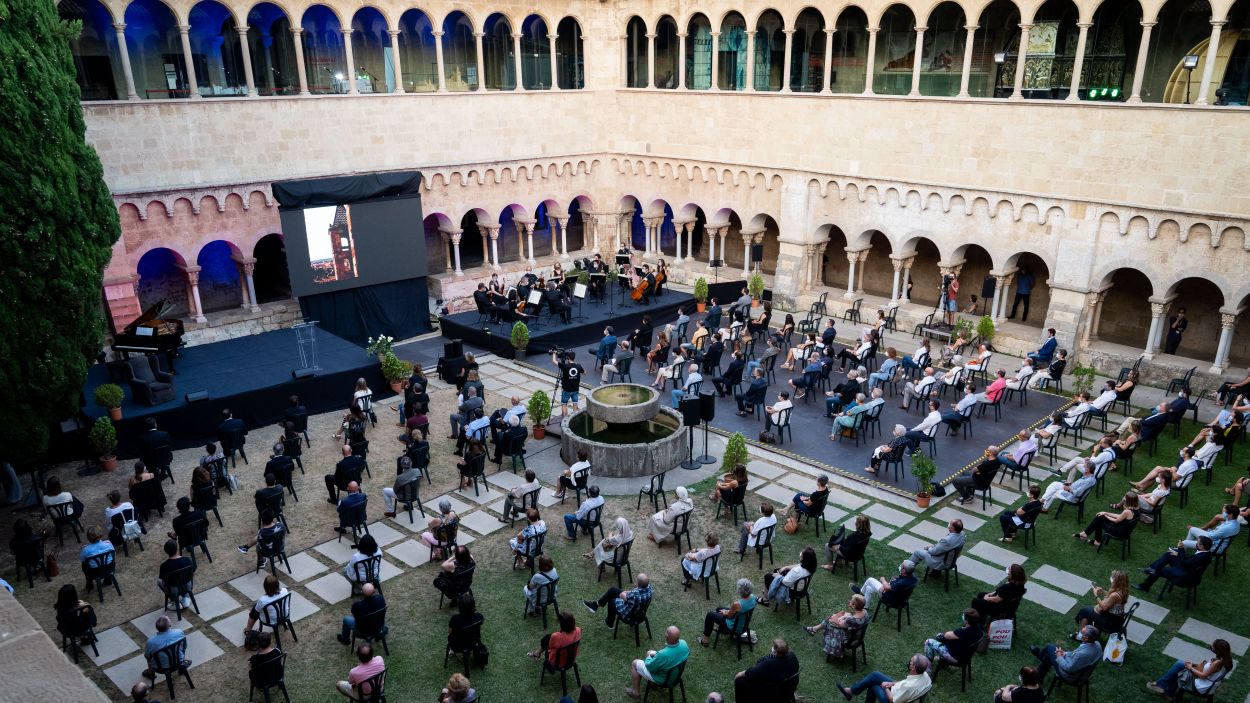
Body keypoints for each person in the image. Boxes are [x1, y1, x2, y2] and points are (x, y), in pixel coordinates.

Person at [1148, 638, 1233, 699]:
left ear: (1218, 650)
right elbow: (1211, 671)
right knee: (1181, 664)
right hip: (1206, 680)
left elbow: (1203, 676)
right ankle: (1165, 690)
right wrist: (1194, 665)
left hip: (1201, 685)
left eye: (1213, 647)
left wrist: (1191, 668)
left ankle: (1164, 688)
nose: (1211, 647)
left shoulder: (1217, 663)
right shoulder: (1227, 660)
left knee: (1180, 668)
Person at [836, 653, 932, 702]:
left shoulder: (908, 686)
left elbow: (892, 701)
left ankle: (850, 692)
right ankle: (851, 691)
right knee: (875, 675)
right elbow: (906, 682)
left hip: (893, 698)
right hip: (900, 691)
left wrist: (886, 687)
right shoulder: (925, 676)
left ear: (913, 667)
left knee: (873, 686)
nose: (909, 661)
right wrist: (892, 683)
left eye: (911, 661)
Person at [625, 625, 689, 699]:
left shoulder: (663, 655)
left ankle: (635, 692)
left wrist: (649, 658)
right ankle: (652, 684)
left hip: (663, 679)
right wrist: (654, 655)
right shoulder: (684, 644)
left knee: (635, 663)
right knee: (649, 652)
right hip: (676, 674)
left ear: (667, 636)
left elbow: (650, 667)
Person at [735, 638, 800, 700]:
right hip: (788, 689)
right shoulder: (793, 656)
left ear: (775, 652)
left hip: (773, 693)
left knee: (739, 681)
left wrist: (741, 673)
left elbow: (752, 673)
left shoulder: (770, 663)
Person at [806, 593, 868, 659]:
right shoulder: (865, 612)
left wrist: (843, 616)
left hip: (849, 639)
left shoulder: (852, 619)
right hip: (858, 636)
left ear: (854, 605)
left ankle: (814, 630)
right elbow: (851, 620)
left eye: (851, 601)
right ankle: (814, 629)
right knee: (831, 618)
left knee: (830, 621)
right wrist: (847, 616)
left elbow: (840, 624)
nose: (849, 601)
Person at [696, 577, 754, 646]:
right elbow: (736, 611)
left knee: (710, 615)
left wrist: (725, 612)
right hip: (744, 623)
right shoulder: (753, 597)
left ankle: (705, 639)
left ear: (740, 591)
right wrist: (727, 611)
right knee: (719, 608)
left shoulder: (737, 604)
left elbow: (728, 616)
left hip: (733, 626)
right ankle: (724, 630)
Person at [1029, 625, 1102, 678]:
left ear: (1086, 638)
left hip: (1069, 674)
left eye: (1081, 633)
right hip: (1078, 667)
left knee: (1049, 647)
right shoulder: (1097, 644)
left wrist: (1059, 656)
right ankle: (1038, 677)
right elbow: (1075, 653)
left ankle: (1039, 655)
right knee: (1048, 656)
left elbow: (1069, 669)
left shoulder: (1082, 654)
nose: (1078, 633)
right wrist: (1065, 653)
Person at [1075, 570, 1128, 637]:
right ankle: (1087, 634)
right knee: (1088, 611)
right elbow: (1112, 599)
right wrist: (1103, 591)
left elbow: (1104, 607)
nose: (1111, 579)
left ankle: (1082, 636)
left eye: (1113, 578)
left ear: (1117, 581)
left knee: (1084, 611)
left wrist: (1096, 595)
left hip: (1109, 622)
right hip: (1117, 619)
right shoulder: (1123, 590)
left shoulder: (1115, 595)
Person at [1131, 446, 1200, 492]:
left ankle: (1141, 488)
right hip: (1181, 479)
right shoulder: (1193, 461)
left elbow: (1174, 478)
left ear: (1187, 454)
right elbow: (1181, 472)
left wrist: (1173, 470)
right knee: (1159, 468)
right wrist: (1172, 469)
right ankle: (1140, 485)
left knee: (1158, 474)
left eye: (1183, 451)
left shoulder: (1185, 465)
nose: (1181, 451)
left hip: (1177, 484)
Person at [142, 615, 187, 680]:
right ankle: (181, 668)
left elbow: (147, 656)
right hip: (179, 661)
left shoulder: (151, 642)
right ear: (169, 625)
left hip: (161, 667)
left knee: (148, 657)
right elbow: (184, 647)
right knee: (181, 649)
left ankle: (150, 672)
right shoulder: (179, 632)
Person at [156, 539, 194, 609]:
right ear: (177, 549)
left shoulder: (164, 566)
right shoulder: (187, 560)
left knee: (159, 581)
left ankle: (175, 601)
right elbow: (192, 571)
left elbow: (163, 581)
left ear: (166, 552)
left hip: (174, 589)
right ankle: (185, 598)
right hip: (188, 586)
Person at [79, 527, 115, 592]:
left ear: (88, 538)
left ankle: (89, 583)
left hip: (94, 572)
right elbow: (113, 554)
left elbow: (82, 560)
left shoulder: (85, 549)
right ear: (100, 535)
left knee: (84, 564)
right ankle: (108, 579)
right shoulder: (108, 543)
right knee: (110, 560)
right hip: (109, 568)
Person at [553, 350, 585, 416]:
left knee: (564, 404)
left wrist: (554, 353)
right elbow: (584, 372)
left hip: (566, 390)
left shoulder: (564, 366)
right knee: (575, 404)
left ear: (568, 358)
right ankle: (575, 419)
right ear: (574, 357)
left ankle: (564, 419)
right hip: (575, 390)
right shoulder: (578, 366)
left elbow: (554, 361)